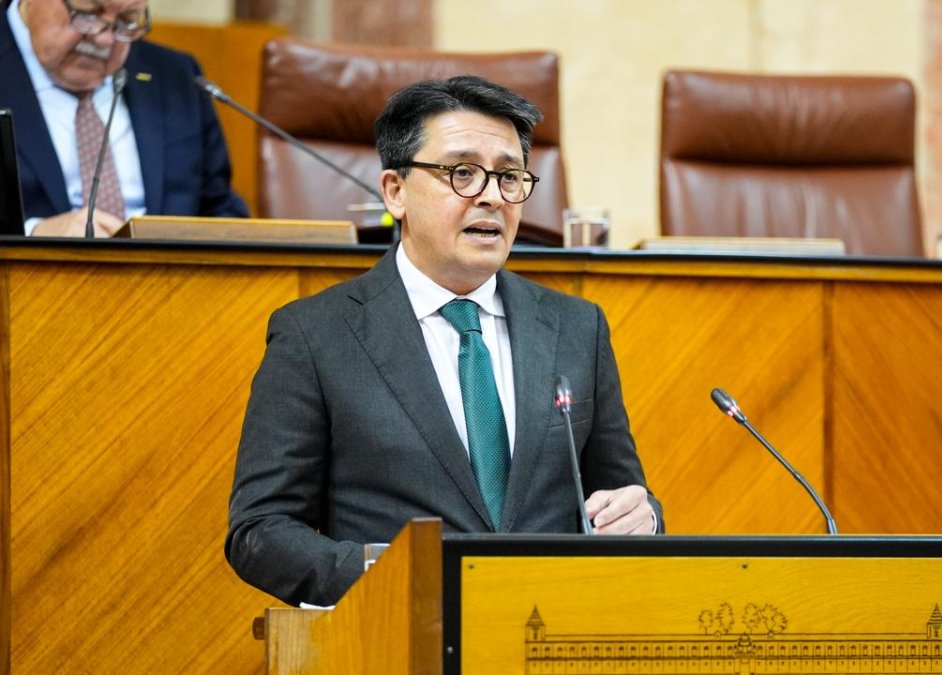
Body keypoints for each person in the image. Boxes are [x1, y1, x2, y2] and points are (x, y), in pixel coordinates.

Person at [226, 75, 662, 607]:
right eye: (462, 173)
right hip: (399, 636)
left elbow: (622, 496)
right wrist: (392, 579)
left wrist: (644, 517)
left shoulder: (577, 327)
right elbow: (261, 530)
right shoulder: (316, 335)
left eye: (509, 177)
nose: (491, 197)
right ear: (395, 191)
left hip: (546, 628)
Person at [0, 0, 248, 237]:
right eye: (87, 12)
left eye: (126, 20)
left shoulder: (177, 76)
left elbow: (221, 210)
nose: (104, 38)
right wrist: (32, 233)